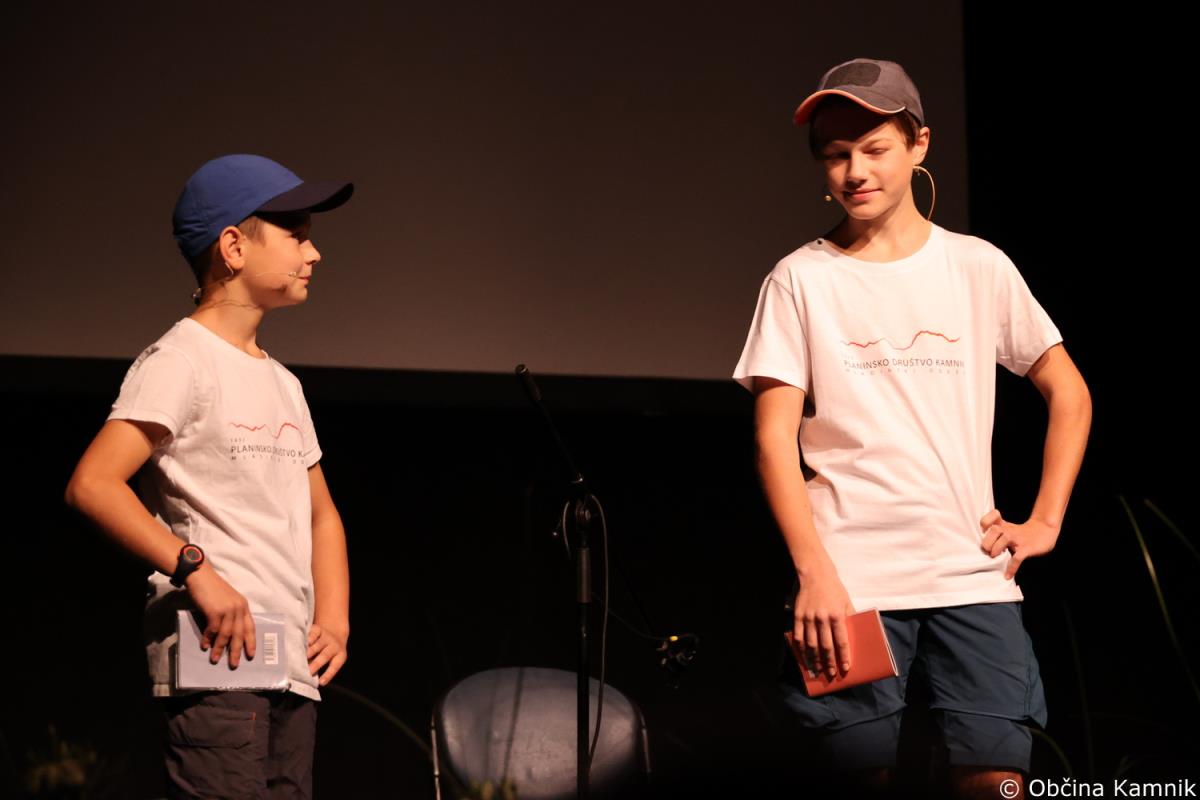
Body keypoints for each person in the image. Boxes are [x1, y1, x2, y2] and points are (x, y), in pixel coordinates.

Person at [732, 59, 1091, 798]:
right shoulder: (801, 279)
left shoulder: (977, 266)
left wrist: (1046, 520)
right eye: (836, 154)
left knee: (996, 779)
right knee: (858, 776)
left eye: (874, 148)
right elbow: (772, 442)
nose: (855, 171)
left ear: (919, 144)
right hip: (849, 583)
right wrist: (815, 573)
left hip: (972, 576)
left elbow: (1069, 392)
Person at [65, 154, 354, 798]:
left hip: (291, 668)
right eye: (296, 236)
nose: (313, 253)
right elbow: (93, 484)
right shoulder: (181, 361)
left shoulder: (283, 382)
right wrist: (194, 568)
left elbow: (321, 515)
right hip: (217, 660)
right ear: (233, 247)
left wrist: (333, 619)